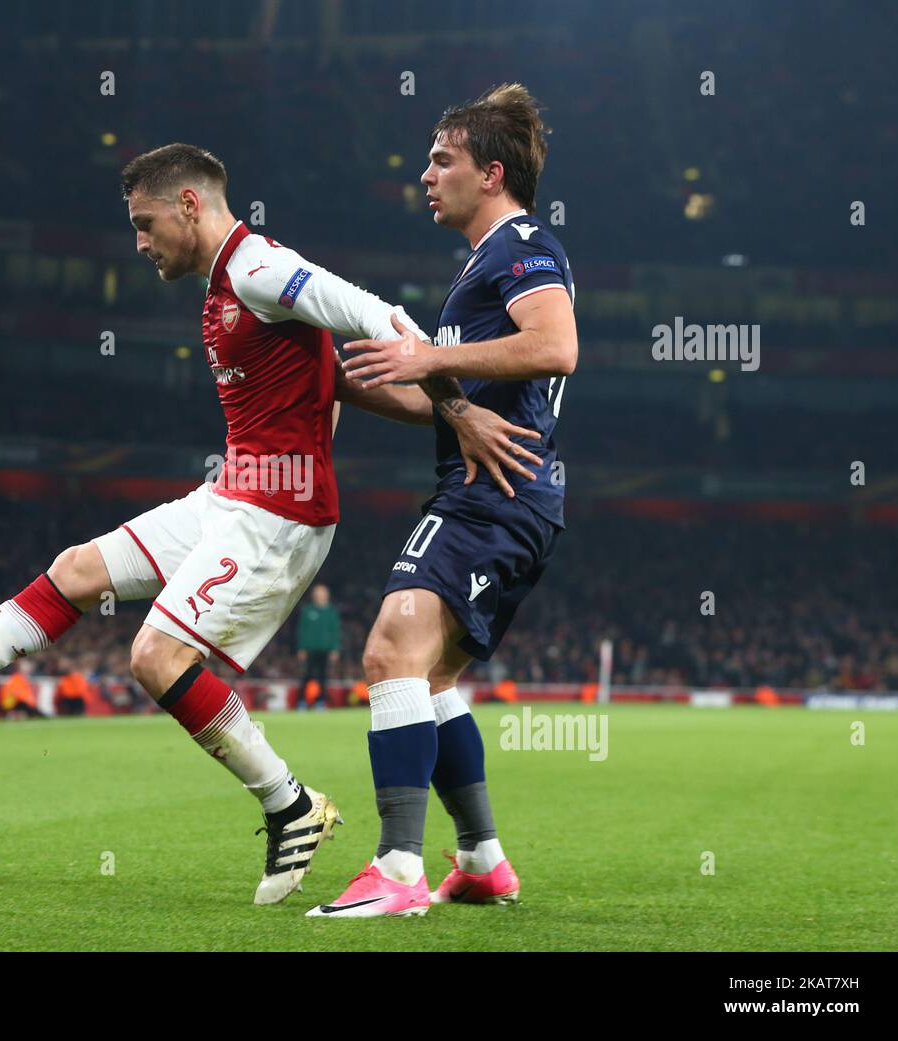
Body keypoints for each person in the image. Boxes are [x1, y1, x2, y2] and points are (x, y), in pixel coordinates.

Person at [0, 143, 504, 905]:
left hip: (280, 514)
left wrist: (457, 405)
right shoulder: (221, 284)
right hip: (232, 495)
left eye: (145, 225)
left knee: (153, 655)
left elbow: (376, 315)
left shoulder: (258, 268)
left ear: (188, 205)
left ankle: (290, 803)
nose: (139, 244)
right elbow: (322, 378)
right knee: (78, 567)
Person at [311, 85, 578, 918]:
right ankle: (483, 859)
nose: (426, 175)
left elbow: (556, 346)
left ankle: (396, 869)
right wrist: (354, 386)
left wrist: (426, 356)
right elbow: (444, 398)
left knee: (392, 647)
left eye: (442, 160)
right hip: (499, 491)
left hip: (493, 495)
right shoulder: (478, 264)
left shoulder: (523, 242)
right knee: (427, 678)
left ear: (491, 173)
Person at [295, 584, 340, 709]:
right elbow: (302, 631)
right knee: (306, 676)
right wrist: (301, 648)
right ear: (314, 595)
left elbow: (335, 631)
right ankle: (302, 701)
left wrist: (335, 649)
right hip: (310, 650)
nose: (320, 595)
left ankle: (320, 701)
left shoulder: (331, 612)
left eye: (323, 593)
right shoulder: (307, 610)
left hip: (325, 650)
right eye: (318, 593)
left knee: (323, 677)